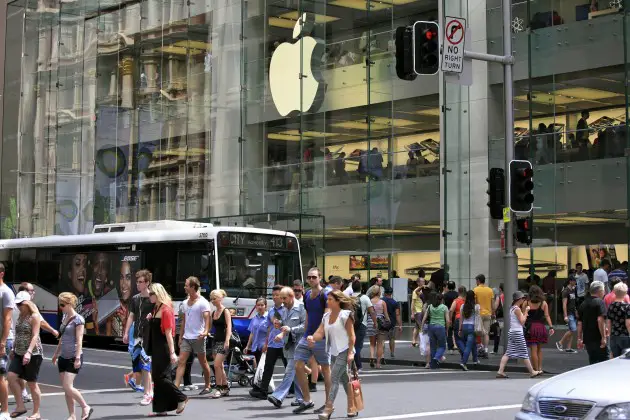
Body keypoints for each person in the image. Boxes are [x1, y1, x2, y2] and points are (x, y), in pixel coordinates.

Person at [307, 291, 358, 419]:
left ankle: (328, 408)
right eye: (327, 299)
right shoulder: (326, 316)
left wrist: (351, 352)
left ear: (337, 301)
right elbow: (320, 332)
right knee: (345, 379)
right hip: (334, 351)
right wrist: (312, 338)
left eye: (330, 299)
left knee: (334, 378)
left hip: (345, 350)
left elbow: (352, 336)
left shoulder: (345, 315)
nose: (327, 302)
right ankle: (352, 406)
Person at [293, 268, 331, 414]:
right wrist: (306, 334)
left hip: (321, 338)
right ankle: (307, 401)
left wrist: (315, 336)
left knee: (326, 370)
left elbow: (326, 318)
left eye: (314, 277)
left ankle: (329, 403)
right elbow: (308, 315)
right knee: (298, 365)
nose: (311, 280)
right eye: (309, 277)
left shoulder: (325, 294)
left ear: (320, 278)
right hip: (307, 336)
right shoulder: (307, 294)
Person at [146, 283, 187, 415]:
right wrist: (151, 319)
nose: (149, 296)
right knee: (157, 378)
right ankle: (161, 408)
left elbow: (169, 334)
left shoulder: (166, 310)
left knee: (162, 377)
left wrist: (172, 352)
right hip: (156, 347)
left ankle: (181, 398)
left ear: (158, 294)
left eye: (151, 294)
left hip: (163, 348)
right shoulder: (157, 308)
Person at [52, 292, 93, 420]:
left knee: (67, 386)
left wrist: (77, 358)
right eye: (60, 304)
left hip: (73, 357)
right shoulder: (64, 317)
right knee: (67, 389)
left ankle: (85, 407)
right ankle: (72, 415)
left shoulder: (79, 319)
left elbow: (79, 339)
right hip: (63, 357)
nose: (61, 307)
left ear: (70, 304)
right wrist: (55, 354)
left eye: (63, 304)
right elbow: (62, 338)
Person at [267, 287, 306, 409]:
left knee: (290, 369)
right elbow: (283, 326)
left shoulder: (301, 307)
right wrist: (279, 326)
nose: (282, 301)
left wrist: (291, 329)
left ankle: (278, 396)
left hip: (299, 343)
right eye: (281, 298)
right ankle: (302, 398)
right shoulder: (283, 310)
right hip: (288, 343)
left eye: (284, 298)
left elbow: (306, 325)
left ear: (291, 296)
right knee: (295, 372)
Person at [8, 291, 43, 420]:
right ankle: (20, 406)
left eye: (20, 304)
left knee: (32, 384)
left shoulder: (34, 316)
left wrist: (28, 352)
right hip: (18, 352)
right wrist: (13, 348)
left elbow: (35, 336)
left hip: (33, 354)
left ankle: (36, 412)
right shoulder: (20, 316)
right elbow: (18, 334)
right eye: (16, 304)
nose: (18, 306)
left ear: (27, 303)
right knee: (11, 377)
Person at [175, 276, 211, 394]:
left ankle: (207, 385)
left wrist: (205, 332)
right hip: (187, 337)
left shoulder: (203, 302)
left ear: (193, 287)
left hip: (198, 337)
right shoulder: (185, 303)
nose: (184, 287)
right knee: (181, 361)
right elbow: (185, 320)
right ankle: (175, 387)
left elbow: (207, 318)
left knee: (203, 362)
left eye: (186, 285)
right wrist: (181, 336)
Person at [250, 286, 288, 399]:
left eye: (278, 295)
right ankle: (263, 391)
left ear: (282, 297)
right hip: (272, 344)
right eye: (274, 295)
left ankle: (291, 390)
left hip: (284, 343)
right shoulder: (271, 311)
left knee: (288, 368)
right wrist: (266, 343)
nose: (275, 297)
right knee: (268, 367)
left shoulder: (286, 310)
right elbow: (269, 328)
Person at [123, 269, 154, 406]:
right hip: (137, 336)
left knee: (146, 365)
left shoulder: (153, 298)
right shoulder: (135, 299)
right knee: (138, 366)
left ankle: (148, 393)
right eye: (137, 282)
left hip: (148, 336)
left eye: (141, 282)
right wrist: (126, 332)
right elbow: (131, 316)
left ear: (147, 283)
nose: (138, 284)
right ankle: (148, 391)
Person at [496, 292, 542, 379]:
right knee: (524, 352)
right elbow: (522, 321)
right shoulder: (517, 309)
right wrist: (526, 311)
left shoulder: (512, 308)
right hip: (517, 332)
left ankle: (500, 371)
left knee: (508, 353)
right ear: (519, 299)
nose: (524, 300)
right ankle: (532, 372)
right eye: (523, 299)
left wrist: (524, 312)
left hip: (512, 332)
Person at [524, 285, 555, 372]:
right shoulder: (543, 303)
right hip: (541, 327)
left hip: (531, 328)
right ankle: (540, 368)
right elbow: (547, 315)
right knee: (539, 349)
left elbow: (524, 316)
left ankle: (536, 369)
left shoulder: (526, 303)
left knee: (533, 350)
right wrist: (551, 327)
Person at [577, 281, 609, 364]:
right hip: (598, 338)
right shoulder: (600, 302)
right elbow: (600, 320)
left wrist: (579, 338)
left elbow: (579, 323)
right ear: (600, 291)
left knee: (593, 362)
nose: (604, 292)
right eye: (603, 290)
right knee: (604, 362)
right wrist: (603, 337)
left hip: (588, 339)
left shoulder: (583, 304)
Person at [208, 289, 232, 398]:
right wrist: (205, 333)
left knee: (217, 364)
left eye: (215, 298)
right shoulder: (213, 313)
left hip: (224, 342)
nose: (213, 301)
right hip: (215, 341)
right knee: (220, 366)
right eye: (211, 299)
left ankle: (218, 388)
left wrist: (227, 341)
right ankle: (225, 388)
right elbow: (209, 327)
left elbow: (229, 328)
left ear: (220, 298)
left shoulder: (225, 311)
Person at [0, 263, 15, 420]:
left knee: (1, 376)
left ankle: (5, 411)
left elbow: (8, 319)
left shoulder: (6, 292)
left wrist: (3, 342)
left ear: (2, 274)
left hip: (3, 339)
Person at [351, 280, 376, 371]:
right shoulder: (365, 298)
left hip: (350, 323)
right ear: (361, 288)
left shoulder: (349, 297)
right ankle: (358, 366)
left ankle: (352, 364)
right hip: (362, 324)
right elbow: (372, 311)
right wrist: (375, 322)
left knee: (351, 345)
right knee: (358, 346)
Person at [421, 293, 450, 369]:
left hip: (431, 327)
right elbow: (447, 320)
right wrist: (447, 329)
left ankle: (433, 365)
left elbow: (424, 318)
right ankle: (436, 358)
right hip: (440, 327)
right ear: (442, 300)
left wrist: (422, 327)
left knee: (433, 346)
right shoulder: (444, 307)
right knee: (442, 346)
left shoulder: (430, 307)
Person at [365, 286, 389, 369]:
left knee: (372, 343)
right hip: (380, 323)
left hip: (370, 322)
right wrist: (388, 321)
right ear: (379, 292)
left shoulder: (369, 301)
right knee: (379, 344)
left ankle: (371, 357)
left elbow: (368, 312)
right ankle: (378, 363)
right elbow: (386, 314)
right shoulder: (382, 302)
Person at [606, 282, 630, 358]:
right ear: (625, 293)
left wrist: (609, 335)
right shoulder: (627, 307)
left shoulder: (611, 306)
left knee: (616, 358)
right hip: (625, 336)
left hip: (614, 335)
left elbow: (608, 322)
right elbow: (628, 324)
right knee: (625, 358)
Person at [457, 290, 479, 370]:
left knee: (473, 343)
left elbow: (461, 319)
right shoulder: (476, 307)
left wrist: (460, 329)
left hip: (464, 326)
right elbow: (478, 318)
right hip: (472, 326)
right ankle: (463, 362)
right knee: (468, 346)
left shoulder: (463, 306)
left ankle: (475, 360)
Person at [556, 277, 578, 354]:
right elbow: (564, 304)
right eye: (574, 281)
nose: (575, 282)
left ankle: (568, 347)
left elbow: (573, 302)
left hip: (572, 312)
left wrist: (575, 311)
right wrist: (565, 315)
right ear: (570, 281)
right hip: (569, 313)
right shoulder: (565, 291)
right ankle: (560, 342)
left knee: (571, 330)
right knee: (573, 329)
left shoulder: (573, 290)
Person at [473, 274, 494, 355]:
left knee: (478, 331)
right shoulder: (490, 290)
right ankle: (485, 349)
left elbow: (474, 303)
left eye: (476, 280)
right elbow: (493, 305)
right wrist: (493, 312)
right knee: (486, 333)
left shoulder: (475, 290)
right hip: (488, 314)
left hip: (479, 314)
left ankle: (480, 347)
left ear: (478, 280)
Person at [245, 297, 268, 364]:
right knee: (258, 368)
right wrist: (247, 346)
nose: (260, 307)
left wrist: (266, 345)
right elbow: (252, 333)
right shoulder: (254, 318)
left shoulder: (269, 318)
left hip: (265, 347)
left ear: (265, 306)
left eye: (262, 305)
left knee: (264, 368)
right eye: (258, 305)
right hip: (255, 347)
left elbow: (271, 333)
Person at [381, 288, 402, 358]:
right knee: (392, 338)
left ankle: (382, 355)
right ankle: (392, 352)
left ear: (385, 293)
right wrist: (400, 325)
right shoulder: (394, 302)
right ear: (391, 293)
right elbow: (397, 314)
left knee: (382, 339)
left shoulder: (381, 301)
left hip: (382, 322)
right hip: (392, 323)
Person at [449, 286, 466, 354]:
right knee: (464, 337)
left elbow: (451, 310)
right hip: (466, 320)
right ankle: (464, 352)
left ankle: (463, 351)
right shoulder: (466, 300)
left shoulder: (456, 300)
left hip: (458, 319)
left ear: (458, 292)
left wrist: (450, 319)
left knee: (457, 338)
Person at [443, 281, 459, 353]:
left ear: (448, 287)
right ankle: (458, 345)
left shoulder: (445, 295)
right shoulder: (457, 295)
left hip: (447, 314)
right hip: (456, 314)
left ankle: (450, 348)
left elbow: (443, 304)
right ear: (455, 287)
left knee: (449, 331)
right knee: (456, 331)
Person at [410, 275, 425, 347]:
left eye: (424, 281)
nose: (424, 282)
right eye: (422, 281)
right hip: (418, 311)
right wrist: (412, 313)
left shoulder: (422, 290)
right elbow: (413, 302)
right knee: (421, 327)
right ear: (418, 283)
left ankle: (413, 341)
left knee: (417, 326)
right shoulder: (415, 292)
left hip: (421, 310)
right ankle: (422, 342)